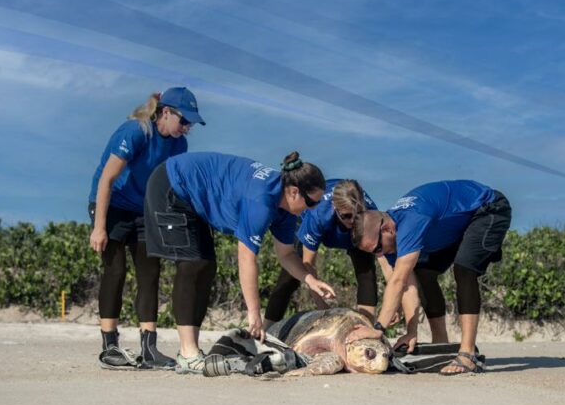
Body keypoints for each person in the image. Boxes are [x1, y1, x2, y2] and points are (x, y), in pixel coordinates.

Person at [142, 151, 337, 374]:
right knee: (193, 264)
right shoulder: (261, 202)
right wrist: (253, 312)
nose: (313, 209)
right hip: (172, 183)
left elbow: (286, 254)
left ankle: (192, 351)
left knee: (206, 267)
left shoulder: (286, 211)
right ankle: (188, 353)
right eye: (312, 202)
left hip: (193, 195)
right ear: (294, 192)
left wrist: (310, 280)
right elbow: (246, 258)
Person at [88, 87, 204, 370]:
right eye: (184, 120)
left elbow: (170, 189)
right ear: (166, 112)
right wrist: (99, 227)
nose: (187, 128)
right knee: (115, 270)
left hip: (143, 210)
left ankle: (148, 347)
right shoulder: (136, 132)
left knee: (150, 272)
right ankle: (110, 346)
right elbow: (107, 178)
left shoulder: (179, 146)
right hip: (111, 204)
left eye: (191, 123)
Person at [352, 180, 512, 375]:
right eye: (373, 253)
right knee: (424, 273)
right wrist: (412, 332)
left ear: (387, 229)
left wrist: (378, 328)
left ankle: (468, 355)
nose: (379, 255)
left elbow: (397, 280)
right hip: (456, 225)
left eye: (378, 248)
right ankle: (441, 344)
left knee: (464, 269)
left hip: (488, 209)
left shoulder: (411, 221)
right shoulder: (390, 240)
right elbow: (408, 287)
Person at [263, 179, 394, 326]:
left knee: (366, 271)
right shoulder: (319, 215)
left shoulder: (369, 212)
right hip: (313, 224)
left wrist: (395, 301)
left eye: (357, 215)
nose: (352, 222)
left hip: (353, 232)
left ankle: (365, 325)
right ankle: (266, 329)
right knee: (290, 276)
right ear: (335, 207)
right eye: (346, 216)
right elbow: (308, 264)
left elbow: (385, 259)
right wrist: (324, 311)